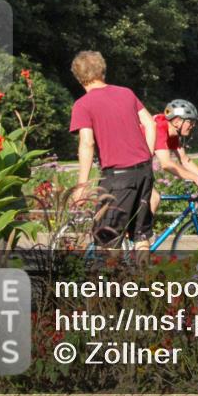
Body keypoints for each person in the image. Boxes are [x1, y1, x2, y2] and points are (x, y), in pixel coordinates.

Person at [68, 50, 157, 249]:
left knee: (107, 241)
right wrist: (147, 156)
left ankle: (111, 280)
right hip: (144, 173)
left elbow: (87, 143)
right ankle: (144, 278)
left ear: (78, 77)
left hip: (118, 178)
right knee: (141, 236)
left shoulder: (83, 105)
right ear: (102, 70)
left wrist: (82, 186)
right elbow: (150, 124)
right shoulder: (126, 93)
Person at [149, 99, 198, 214]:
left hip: (137, 167)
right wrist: (197, 179)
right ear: (177, 121)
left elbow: (185, 160)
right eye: (190, 121)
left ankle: (137, 231)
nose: (193, 126)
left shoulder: (172, 133)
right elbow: (166, 164)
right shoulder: (159, 127)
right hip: (125, 167)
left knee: (152, 201)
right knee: (153, 199)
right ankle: (140, 232)